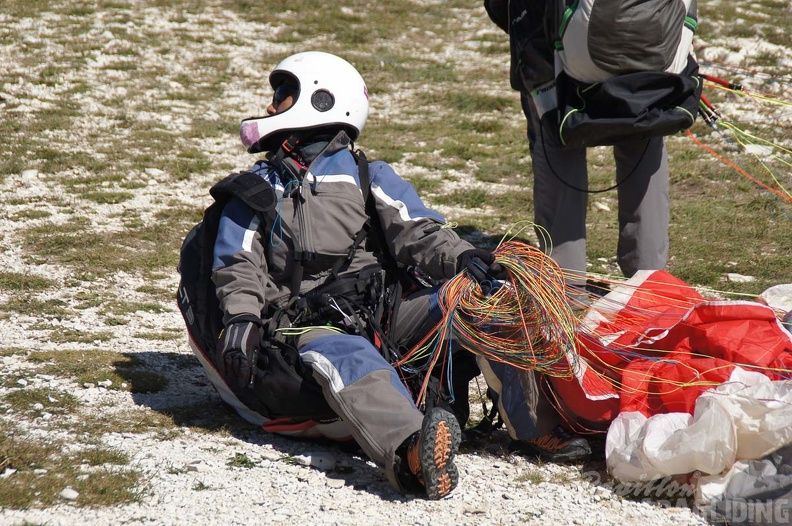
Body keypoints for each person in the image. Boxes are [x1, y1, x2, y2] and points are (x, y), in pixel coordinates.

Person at [208, 50, 590, 501]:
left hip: (385, 312)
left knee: (483, 301)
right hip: (307, 326)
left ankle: (534, 427)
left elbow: (421, 232)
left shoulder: (368, 174)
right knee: (351, 358)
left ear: (322, 99)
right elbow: (237, 264)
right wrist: (241, 320)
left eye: (282, 95)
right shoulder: (256, 188)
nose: (271, 107)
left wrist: (464, 258)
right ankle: (414, 454)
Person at [483, 0, 671, 302]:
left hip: (546, 41)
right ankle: (649, 288)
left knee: (557, 141)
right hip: (648, 38)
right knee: (642, 132)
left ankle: (566, 291)